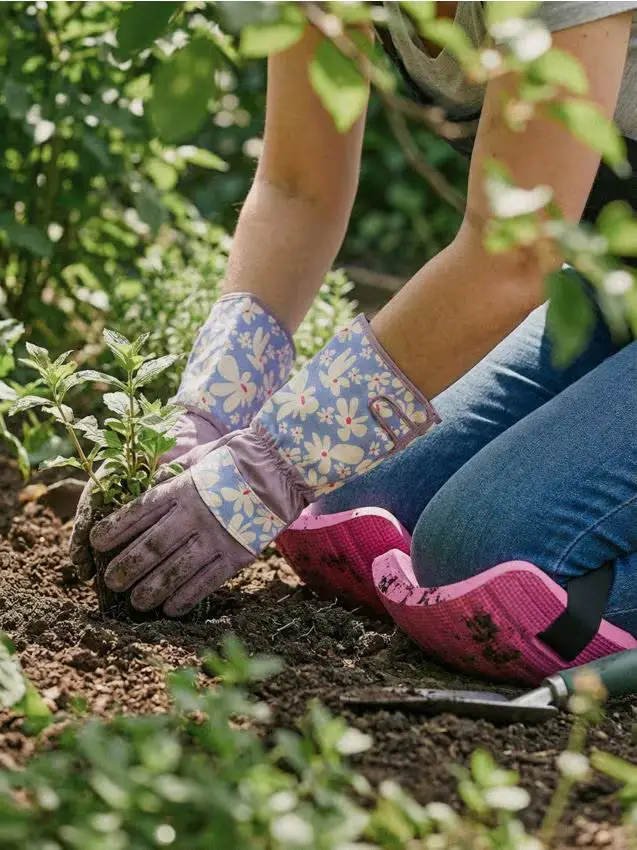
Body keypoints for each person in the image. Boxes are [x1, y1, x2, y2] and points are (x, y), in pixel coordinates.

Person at [71, 3, 637, 676]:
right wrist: (210, 413)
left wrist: (273, 464)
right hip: (610, 283)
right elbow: (297, 186)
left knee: (493, 563)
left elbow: (511, 254)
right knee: (357, 501)